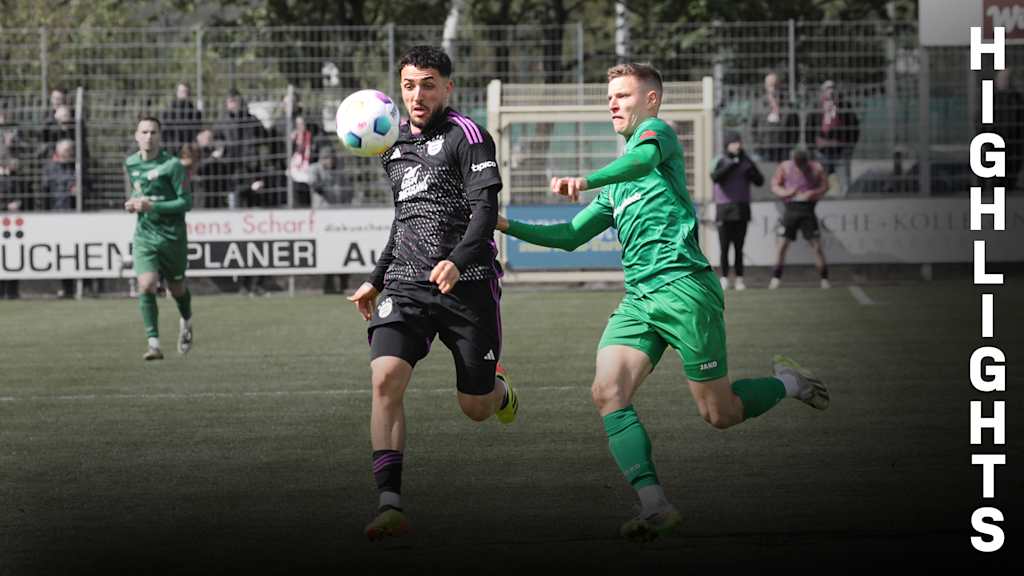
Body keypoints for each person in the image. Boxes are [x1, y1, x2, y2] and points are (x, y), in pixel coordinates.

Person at [497, 62, 830, 542]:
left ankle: (790, 383)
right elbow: (570, 236)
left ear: (650, 100)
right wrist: (504, 224)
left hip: (684, 290)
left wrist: (585, 180)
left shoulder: (658, 136)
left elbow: (639, 162)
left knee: (720, 414)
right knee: (607, 392)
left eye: (622, 95)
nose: (612, 103)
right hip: (639, 300)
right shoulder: (616, 185)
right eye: (609, 97)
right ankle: (655, 505)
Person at [345, 45, 519, 542]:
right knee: (385, 379)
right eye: (408, 86)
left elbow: (485, 212)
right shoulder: (391, 143)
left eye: (427, 85)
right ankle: (390, 503)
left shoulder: (469, 136)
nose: (417, 95)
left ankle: (500, 391)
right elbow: (404, 217)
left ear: (447, 87)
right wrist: (376, 277)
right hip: (405, 284)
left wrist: (456, 261)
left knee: (476, 407)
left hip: (468, 285)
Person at [123, 115, 194, 361]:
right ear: (136, 136)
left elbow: (186, 202)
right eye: (144, 132)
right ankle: (153, 344)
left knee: (177, 289)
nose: (148, 137)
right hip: (145, 235)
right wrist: (133, 203)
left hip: (173, 236)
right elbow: (138, 192)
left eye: (153, 132)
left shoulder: (173, 166)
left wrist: (153, 206)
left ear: (160, 136)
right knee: (146, 284)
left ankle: (186, 320)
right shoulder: (131, 163)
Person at [769, 147, 831, 290]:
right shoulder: (785, 167)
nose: (800, 166)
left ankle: (824, 279)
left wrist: (812, 193)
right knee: (782, 245)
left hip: (808, 209)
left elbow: (825, 186)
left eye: (802, 163)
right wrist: (787, 192)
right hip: (791, 208)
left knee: (816, 246)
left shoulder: (816, 168)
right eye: (797, 163)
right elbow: (775, 186)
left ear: (806, 161)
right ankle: (775, 278)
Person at [710, 130, 763, 291]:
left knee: (739, 247)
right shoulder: (720, 159)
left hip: (741, 208)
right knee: (724, 247)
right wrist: (731, 165)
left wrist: (749, 170)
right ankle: (724, 278)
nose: (738, 145)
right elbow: (715, 177)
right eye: (734, 142)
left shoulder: (746, 160)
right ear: (727, 144)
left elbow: (759, 181)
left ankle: (740, 279)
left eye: (739, 142)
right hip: (724, 209)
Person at [805, 80, 859, 185]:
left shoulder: (845, 106)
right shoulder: (816, 107)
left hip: (841, 151)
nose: (831, 91)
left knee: (845, 183)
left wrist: (850, 146)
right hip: (821, 152)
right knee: (819, 183)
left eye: (833, 88)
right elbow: (809, 129)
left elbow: (854, 127)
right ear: (822, 92)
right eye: (827, 88)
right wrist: (812, 149)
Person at [749, 71, 799, 163]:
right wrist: (757, 145)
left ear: (780, 85)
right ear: (766, 86)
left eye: (775, 84)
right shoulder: (758, 104)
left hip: (783, 150)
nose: (773, 88)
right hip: (763, 149)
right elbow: (752, 127)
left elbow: (795, 127)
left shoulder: (788, 105)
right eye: (770, 85)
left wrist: (790, 146)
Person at [993, 69, 1024, 191]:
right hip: (997, 140)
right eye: (1003, 79)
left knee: (1011, 170)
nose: (1005, 82)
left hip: (1014, 142)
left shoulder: (1017, 98)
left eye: (1007, 79)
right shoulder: (992, 99)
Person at [160, 82, 203, 154]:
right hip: (171, 149)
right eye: (181, 91)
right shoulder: (168, 111)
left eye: (186, 91)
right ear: (177, 93)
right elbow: (164, 132)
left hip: (188, 151)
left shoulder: (195, 113)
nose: (184, 94)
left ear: (189, 93)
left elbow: (196, 132)